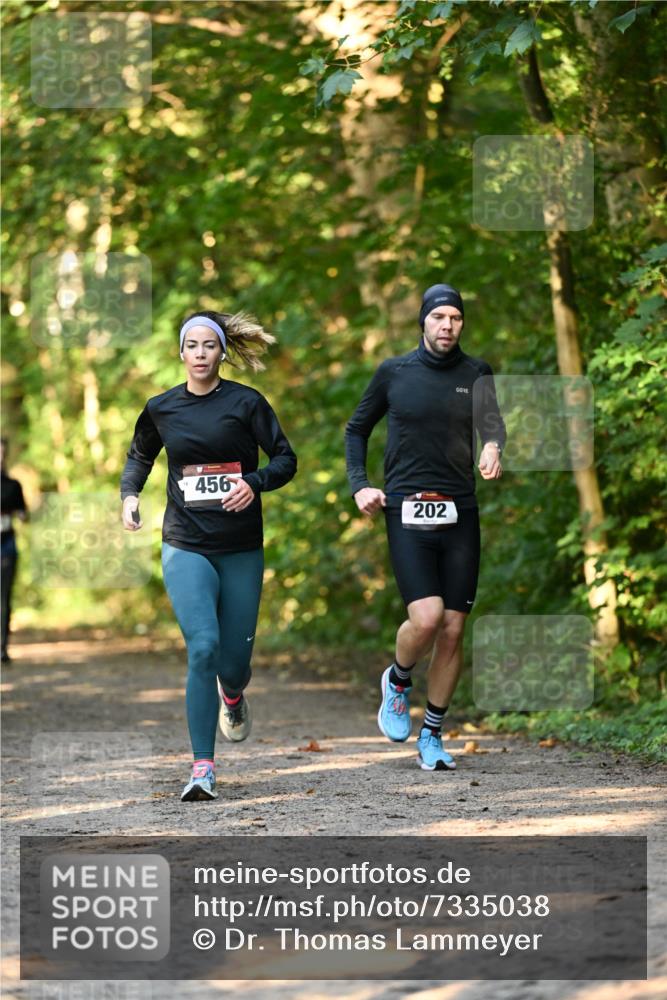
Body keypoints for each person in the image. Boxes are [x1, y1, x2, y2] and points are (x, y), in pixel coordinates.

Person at [120, 310, 296, 801]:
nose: (200, 354)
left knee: (234, 663)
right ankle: (202, 767)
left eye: (209, 346)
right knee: (202, 648)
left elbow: (286, 459)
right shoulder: (161, 407)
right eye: (191, 346)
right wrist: (130, 496)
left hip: (240, 547)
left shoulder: (247, 403)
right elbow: (140, 456)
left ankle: (233, 696)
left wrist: (254, 482)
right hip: (185, 543)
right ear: (181, 353)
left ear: (222, 352)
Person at [345, 283, 505, 771]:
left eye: (455, 318)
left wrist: (493, 445)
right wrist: (360, 485)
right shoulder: (394, 373)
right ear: (424, 322)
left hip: (460, 511)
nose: (447, 326)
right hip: (407, 510)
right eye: (439, 318)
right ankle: (397, 679)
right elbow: (357, 428)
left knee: (455, 629)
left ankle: (432, 734)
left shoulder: (476, 373)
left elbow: (493, 424)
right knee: (428, 618)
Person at [1, 437, 28, 663]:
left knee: (4, 598)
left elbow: (24, 514)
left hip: (6, 546)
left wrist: (18, 514)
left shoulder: (13, 486)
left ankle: (2, 648)